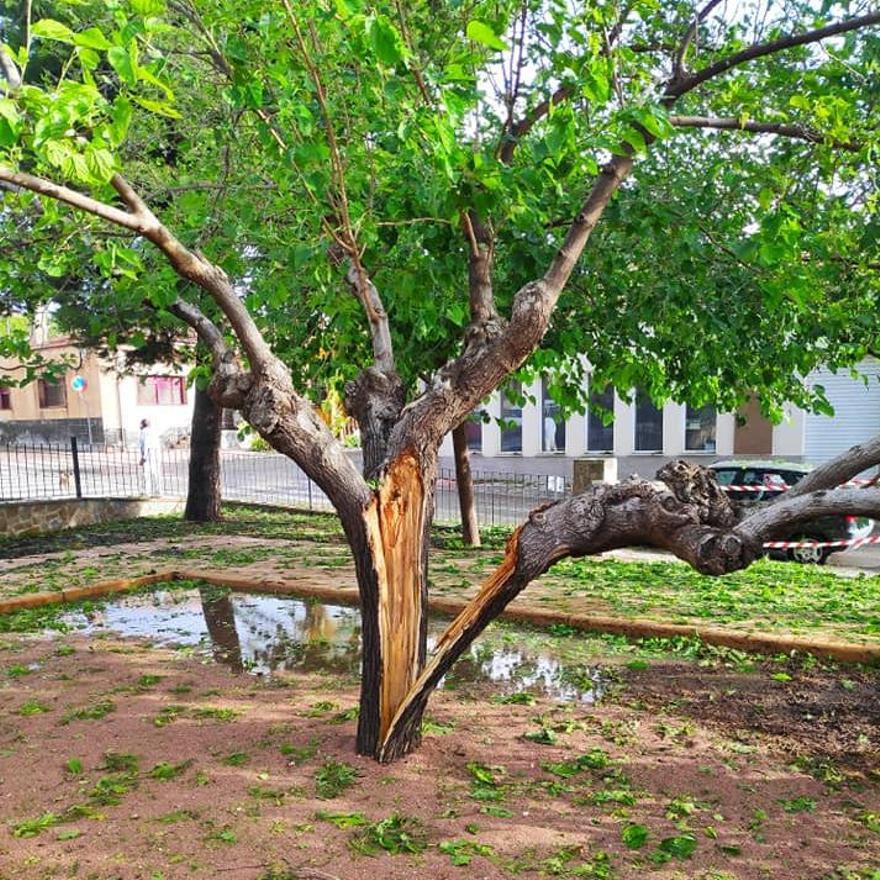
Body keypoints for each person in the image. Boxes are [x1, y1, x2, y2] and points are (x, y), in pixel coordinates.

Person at [139, 418, 162, 496]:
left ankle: (147, 491)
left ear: (143, 424)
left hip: (149, 454)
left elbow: (146, 444)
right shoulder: (153, 431)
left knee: (147, 473)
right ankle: (158, 491)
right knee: (156, 473)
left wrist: (144, 457)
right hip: (156, 453)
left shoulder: (144, 432)